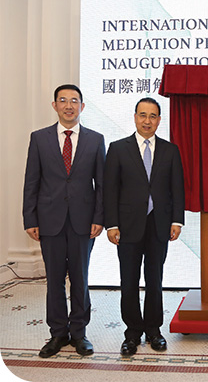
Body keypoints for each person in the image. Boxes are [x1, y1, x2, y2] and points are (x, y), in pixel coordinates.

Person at [23, 84, 105, 358]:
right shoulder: (39, 138)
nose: (69, 106)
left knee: (80, 279)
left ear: (82, 106)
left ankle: (79, 333)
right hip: (49, 221)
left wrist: (99, 218)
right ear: (54, 105)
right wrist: (29, 218)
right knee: (55, 279)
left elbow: (102, 185)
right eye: (63, 101)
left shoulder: (95, 140)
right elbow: (31, 181)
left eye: (74, 101)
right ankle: (58, 333)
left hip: (84, 221)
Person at [104, 97, 184, 356]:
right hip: (127, 226)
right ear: (135, 117)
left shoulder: (170, 150)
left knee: (155, 280)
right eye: (143, 115)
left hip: (159, 224)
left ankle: (153, 330)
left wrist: (176, 220)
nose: (147, 121)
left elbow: (177, 189)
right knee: (128, 281)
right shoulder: (117, 148)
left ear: (159, 120)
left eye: (153, 116)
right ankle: (132, 334)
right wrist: (111, 224)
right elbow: (110, 190)